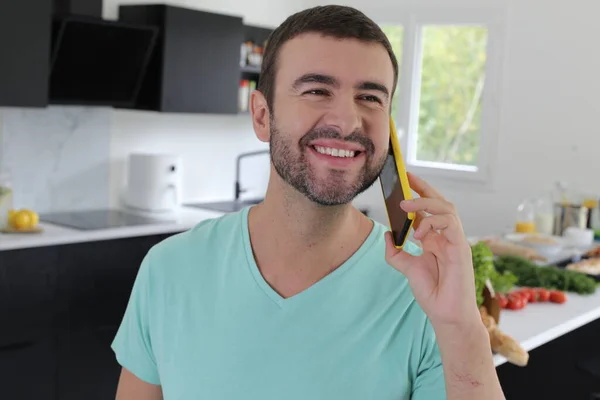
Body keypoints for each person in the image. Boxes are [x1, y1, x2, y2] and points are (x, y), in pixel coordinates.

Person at [112, 5, 505, 400]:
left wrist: (461, 326)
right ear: (263, 116)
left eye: (370, 97)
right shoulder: (168, 270)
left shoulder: (424, 291)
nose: (348, 122)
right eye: (317, 90)